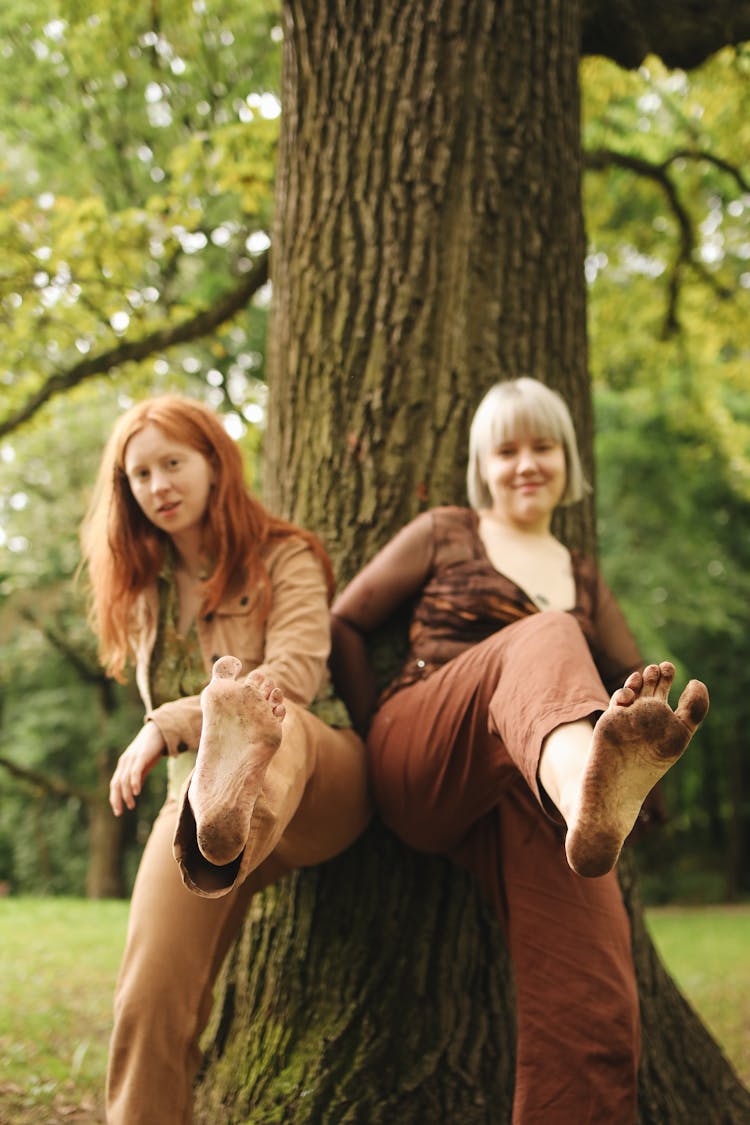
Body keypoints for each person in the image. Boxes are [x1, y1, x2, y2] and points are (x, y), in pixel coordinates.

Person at [329, 376, 709, 1125]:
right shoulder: (446, 531)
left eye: (543, 446)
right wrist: (374, 730)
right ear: (481, 465)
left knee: (595, 997)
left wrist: (643, 716)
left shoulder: (582, 574)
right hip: (425, 745)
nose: (526, 463)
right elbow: (344, 622)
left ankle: (587, 800)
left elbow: (628, 673)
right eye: (507, 450)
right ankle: (583, 788)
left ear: (568, 458)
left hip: (526, 791)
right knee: (549, 631)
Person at [79, 395, 371, 1125]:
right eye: (140, 473)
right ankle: (216, 827)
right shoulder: (141, 587)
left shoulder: (285, 553)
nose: (158, 485)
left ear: (214, 463)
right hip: (194, 804)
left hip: (316, 776)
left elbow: (293, 675)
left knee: (278, 724)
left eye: (173, 462)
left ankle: (231, 806)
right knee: (148, 999)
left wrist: (162, 725)